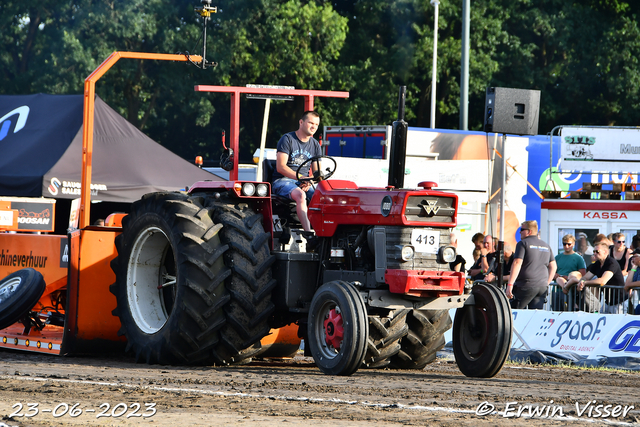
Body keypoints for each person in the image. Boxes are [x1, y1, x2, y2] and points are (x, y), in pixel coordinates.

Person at [272, 111, 323, 232]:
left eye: (316, 124)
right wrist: (302, 178)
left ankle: (323, 233)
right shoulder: (287, 139)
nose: (313, 127)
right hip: (282, 181)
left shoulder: (315, 145)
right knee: (300, 195)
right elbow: (281, 167)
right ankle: (309, 234)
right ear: (301, 122)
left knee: (323, 197)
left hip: (303, 182)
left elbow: (317, 173)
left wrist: (309, 181)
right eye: (311, 123)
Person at [506, 220, 557, 309]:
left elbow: (517, 263)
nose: (520, 232)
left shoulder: (523, 243)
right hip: (541, 287)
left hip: (525, 285)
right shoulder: (546, 245)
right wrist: (546, 283)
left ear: (529, 231)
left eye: (522, 229)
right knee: (535, 316)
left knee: (515, 313)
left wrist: (510, 284)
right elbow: (553, 266)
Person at [578, 241, 626, 314]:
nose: (594, 253)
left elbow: (603, 281)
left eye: (597, 251)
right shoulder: (597, 264)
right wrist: (581, 282)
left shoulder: (611, 263)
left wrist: (585, 283)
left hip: (619, 301)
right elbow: (586, 277)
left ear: (605, 251)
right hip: (607, 301)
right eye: (594, 251)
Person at [624, 249, 640, 314]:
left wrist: (629, 285)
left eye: (634, 257)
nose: (632, 259)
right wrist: (633, 268)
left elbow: (628, 284)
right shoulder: (637, 268)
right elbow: (627, 283)